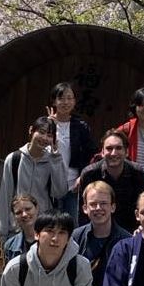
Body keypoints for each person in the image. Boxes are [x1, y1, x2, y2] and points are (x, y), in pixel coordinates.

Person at [0, 116, 69, 236]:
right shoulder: (14, 159)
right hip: (17, 227)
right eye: (41, 132)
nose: (44, 138)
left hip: (43, 226)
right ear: (31, 130)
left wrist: (56, 159)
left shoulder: (53, 161)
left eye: (49, 135)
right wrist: (1, 230)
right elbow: (5, 196)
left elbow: (60, 192)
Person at [76, 129, 144, 232]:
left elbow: (142, 207)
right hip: (98, 232)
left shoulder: (138, 173)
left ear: (127, 152)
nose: (113, 153)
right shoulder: (90, 174)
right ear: (102, 152)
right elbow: (82, 213)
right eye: (109, 148)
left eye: (118, 148)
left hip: (130, 232)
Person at [48, 81, 97, 219]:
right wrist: (49, 127)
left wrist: (82, 176)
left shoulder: (80, 126)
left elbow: (92, 154)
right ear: (54, 101)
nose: (65, 102)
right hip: (49, 185)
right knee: (50, 223)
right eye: (61, 98)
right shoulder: (45, 124)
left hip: (73, 185)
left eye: (69, 98)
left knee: (72, 225)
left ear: (75, 101)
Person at [3, 194, 40, 263]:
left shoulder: (50, 239)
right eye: (18, 212)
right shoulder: (10, 245)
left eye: (28, 209)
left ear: (37, 208)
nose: (24, 214)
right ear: (14, 216)